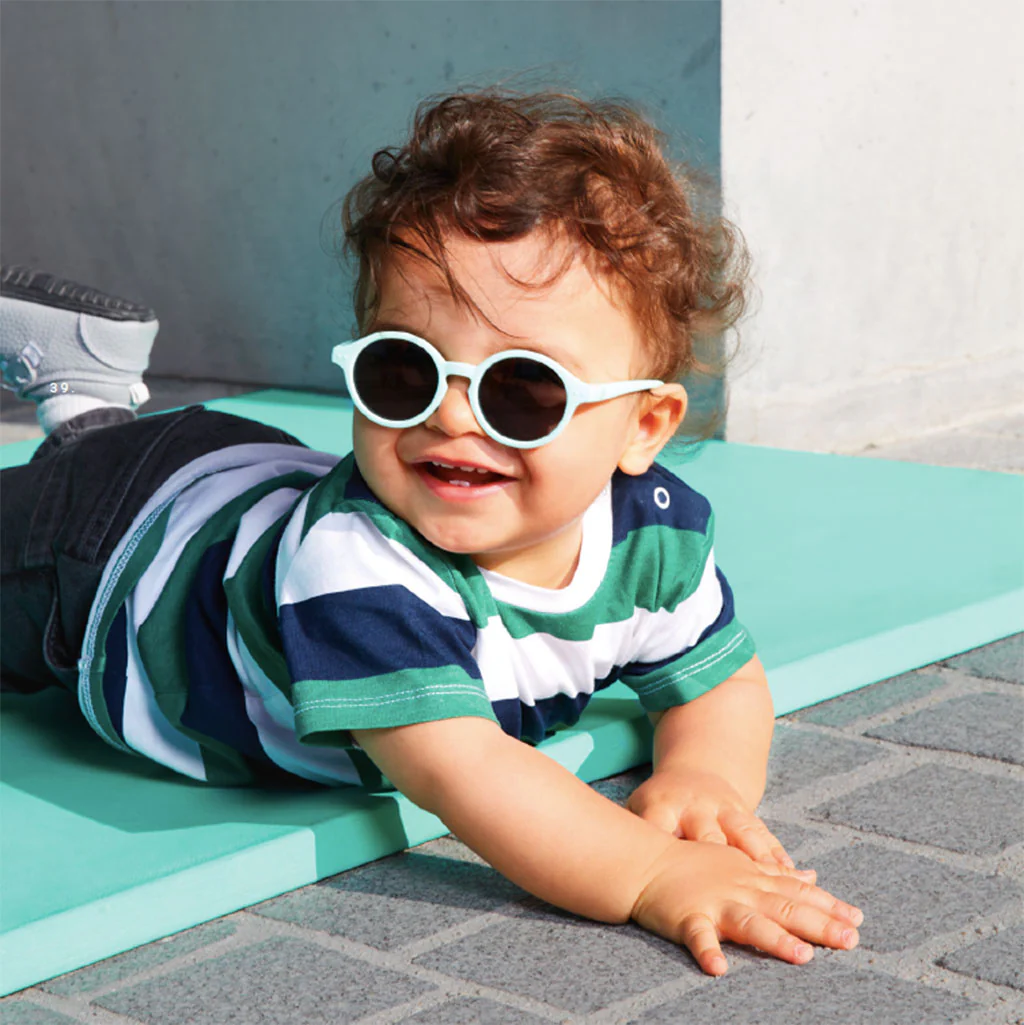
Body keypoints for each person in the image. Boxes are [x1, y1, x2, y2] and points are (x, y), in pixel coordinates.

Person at [0, 87, 863, 976]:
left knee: (100, 460)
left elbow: (719, 677)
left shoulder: (656, 536)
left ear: (643, 428)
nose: (451, 416)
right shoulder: (356, 567)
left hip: (221, 491)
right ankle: (88, 416)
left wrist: (704, 775)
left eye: (523, 391)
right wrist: (652, 871)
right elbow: (469, 771)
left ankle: (84, 392)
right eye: (403, 373)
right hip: (108, 560)